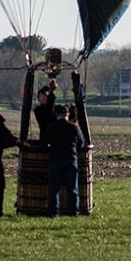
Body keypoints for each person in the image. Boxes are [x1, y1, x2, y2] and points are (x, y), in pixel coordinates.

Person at [35, 83, 86, 216]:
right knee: (72, 188)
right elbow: (81, 143)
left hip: (55, 158)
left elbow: (44, 142)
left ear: (56, 115)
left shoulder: (51, 127)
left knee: (54, 188)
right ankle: (74, 212)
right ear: (67, 114)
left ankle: (53, 212)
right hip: (70, 158)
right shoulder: (74, 127)